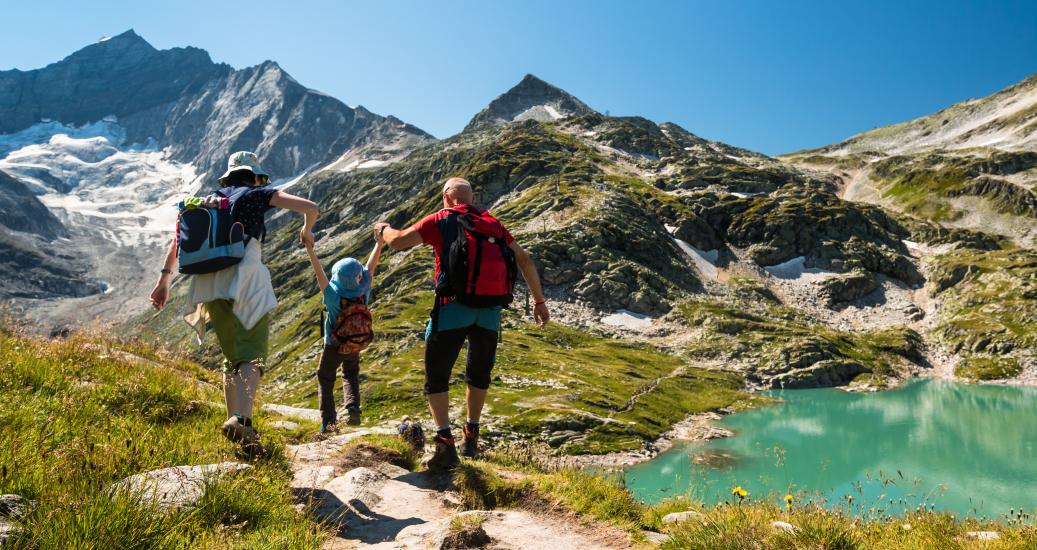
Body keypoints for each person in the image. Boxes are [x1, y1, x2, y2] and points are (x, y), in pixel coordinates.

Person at [149, 151, 318, 456]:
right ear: (254, 176)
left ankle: (239, 429)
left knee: (231, 356)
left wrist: (164, 280)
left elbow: (178, 242)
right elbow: (309, 206)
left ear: (227, 177)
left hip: (209, 283)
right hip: (246, 279)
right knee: (252, 355)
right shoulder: (257, 194)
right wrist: (307, 229)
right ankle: (241, 421)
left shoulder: (207, 201)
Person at [375, 177, 550, 470]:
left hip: (453, 308)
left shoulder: (442, 219)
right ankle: (471, 435)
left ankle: (445, 443)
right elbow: (525, 260)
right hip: (490, 312)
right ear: (470, 197)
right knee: (479, 373)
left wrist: (382, 230)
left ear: (446, 197)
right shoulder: (492, 223)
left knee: (437, 375)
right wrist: (539, 301)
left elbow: (399, 242)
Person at [304, 230, 385, 433]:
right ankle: (353, 408)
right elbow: (370, 268)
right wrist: (379, 244)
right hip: (355, 342)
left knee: (325, 377)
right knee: (350, 374)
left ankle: (329, 422)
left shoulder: (332, 296)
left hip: (334, 345)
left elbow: (319, 273)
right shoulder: (363, 290)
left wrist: (309, 249)